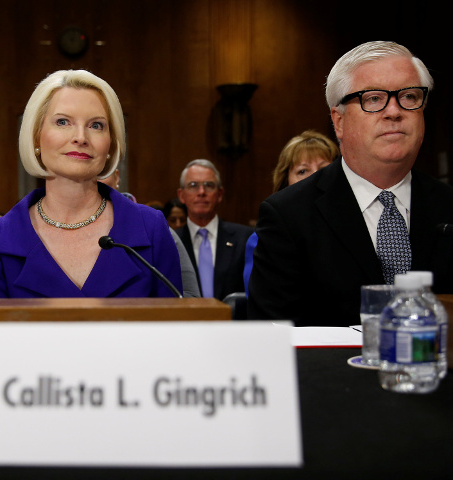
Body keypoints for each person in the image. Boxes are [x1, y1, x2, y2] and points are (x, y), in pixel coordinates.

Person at [248, 41, 453, 326]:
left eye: (408, 96)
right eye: (373, 99)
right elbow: (273, 337)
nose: (394, 111)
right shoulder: (288, 215)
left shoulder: (447, 206)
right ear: (339, 121)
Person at [0, 70, 182, 311]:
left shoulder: (151, 228)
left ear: (111, 144)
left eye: (96, 125)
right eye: (63, 122)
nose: (80, 137)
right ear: (36, 137)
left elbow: (173, 334)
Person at [242, 130, 339, 292]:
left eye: (325, 168)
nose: (315, 177)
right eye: (302, 171)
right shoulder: (266, 237)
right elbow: (265, 303)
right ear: (285, 182)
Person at [99, 169, 200, 298]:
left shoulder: (154, 228)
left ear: (117, 177)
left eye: (102, 172)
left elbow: (189, 296)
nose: (94, 180)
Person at [175, 159, 253, 300]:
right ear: (181, 195)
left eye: (209, 185)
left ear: (220, 194)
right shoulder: (171, 241)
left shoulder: (245, 238)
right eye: (193, 185)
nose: (201, 192)